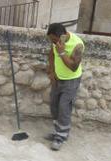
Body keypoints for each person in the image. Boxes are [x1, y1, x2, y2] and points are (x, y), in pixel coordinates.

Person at [45, 23, 84, 152]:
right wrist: (51, 72)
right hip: (58, 78)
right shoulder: (55, 43)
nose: (54, 43)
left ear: (62, 36)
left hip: (71, 81)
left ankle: (61, 137)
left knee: (64, 107)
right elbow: (51, 55)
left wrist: (62, 53)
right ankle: (58, 132)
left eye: (55, 40)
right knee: (54, 105)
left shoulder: (77, 44)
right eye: (51, 41)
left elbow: (73, 67)